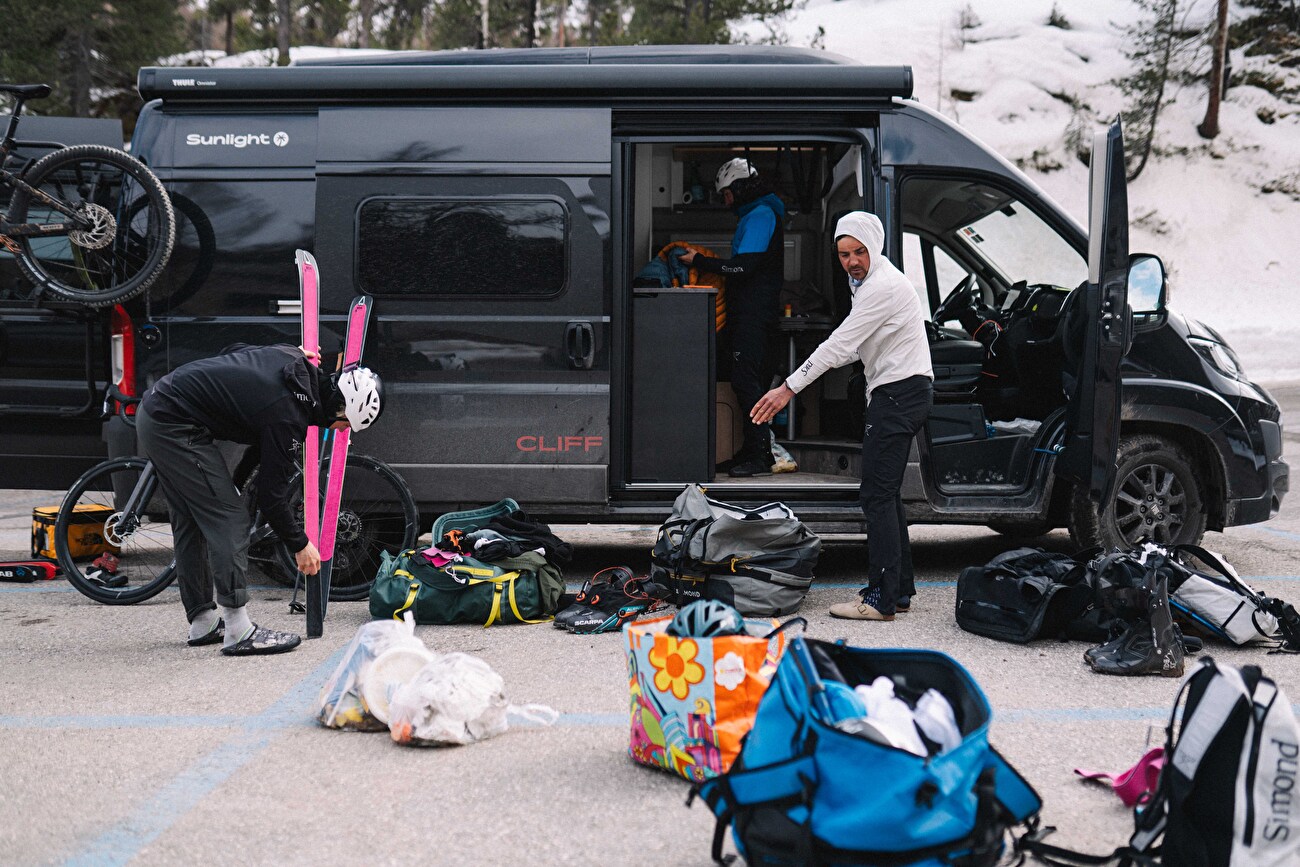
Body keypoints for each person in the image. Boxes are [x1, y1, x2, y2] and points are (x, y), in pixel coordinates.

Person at [136, 344, 384, 655]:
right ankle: (239, 631)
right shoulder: (288, 415)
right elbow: (272, 497)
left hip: (159, 408)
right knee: (231, 519)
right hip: (174, 426)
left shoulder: (292, 359)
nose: (341, 430)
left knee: (193, 520)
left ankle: (203, 622)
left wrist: (236, 483)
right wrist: (300, 544)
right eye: (346, 423)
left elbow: (234, 352)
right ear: (339, 408)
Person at [750, 212, 933, 621]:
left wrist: (788, 388)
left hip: (898, 394)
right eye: (844, 254)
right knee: (887, 494)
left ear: (875, 246)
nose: (851, 261)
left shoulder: (880, 287)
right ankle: (898, 591)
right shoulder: (869, 282)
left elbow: (841, 344)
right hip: (900, 391)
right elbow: (852, 348)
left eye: (859, 252)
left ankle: (880, 600)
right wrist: (821, 361)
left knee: (875, 495)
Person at [679, 158, 785, 477]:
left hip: (754, 315)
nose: (725, 200)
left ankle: (760, 455)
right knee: (745, 381)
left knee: (746, 382)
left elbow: (743, 267)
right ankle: (751, 450)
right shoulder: (757, 214)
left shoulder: (760, 214)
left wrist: (699, 261)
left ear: (740, 188)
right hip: (751, 314)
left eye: (726, 193)